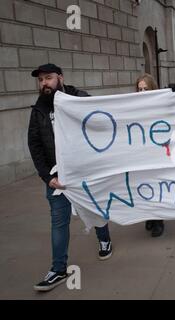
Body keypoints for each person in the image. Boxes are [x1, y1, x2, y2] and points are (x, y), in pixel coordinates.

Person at [28, 64, 113, 292]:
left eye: (49, 78)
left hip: (84, 172)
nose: (44, 83)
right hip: (57, 178)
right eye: (41, 80)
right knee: (59, 221)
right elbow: (34, 145)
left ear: (60, 78)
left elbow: (102, 119)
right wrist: (47, 176)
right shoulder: (38, 110)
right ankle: (58, 269)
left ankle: (104, 239)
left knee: (94, 208)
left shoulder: (79, 98)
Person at [136, 74, 165, 236]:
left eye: (146, 89)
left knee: (156, 185)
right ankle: (149, 215)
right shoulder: (132, 106)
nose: (142, 92)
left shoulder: (160, 106)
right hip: (141, 154)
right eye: (139, 89)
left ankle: (158, 219)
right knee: (144, 186)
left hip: (157, 154)